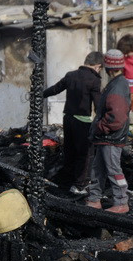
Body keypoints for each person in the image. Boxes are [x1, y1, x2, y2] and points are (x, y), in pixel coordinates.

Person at [43, 51, 104, 196]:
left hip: (68, 119)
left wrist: (40, 94)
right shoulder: (94, 80)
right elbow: (98, 105)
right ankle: (80, 185)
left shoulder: (71, 75)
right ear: (97, 66)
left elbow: (55, 89)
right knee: (85, 154)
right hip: (82, 121)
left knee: (69, 151)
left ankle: (66, 182)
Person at [85, 49, 131, 214]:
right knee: (97, 170)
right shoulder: (118, 84)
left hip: (111, 137)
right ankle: (94, 199)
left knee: (113, 170)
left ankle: (121, 202)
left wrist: (99, 127)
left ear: (108, 67)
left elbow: (116, 118)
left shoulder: (117, 86)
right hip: (107, 137)